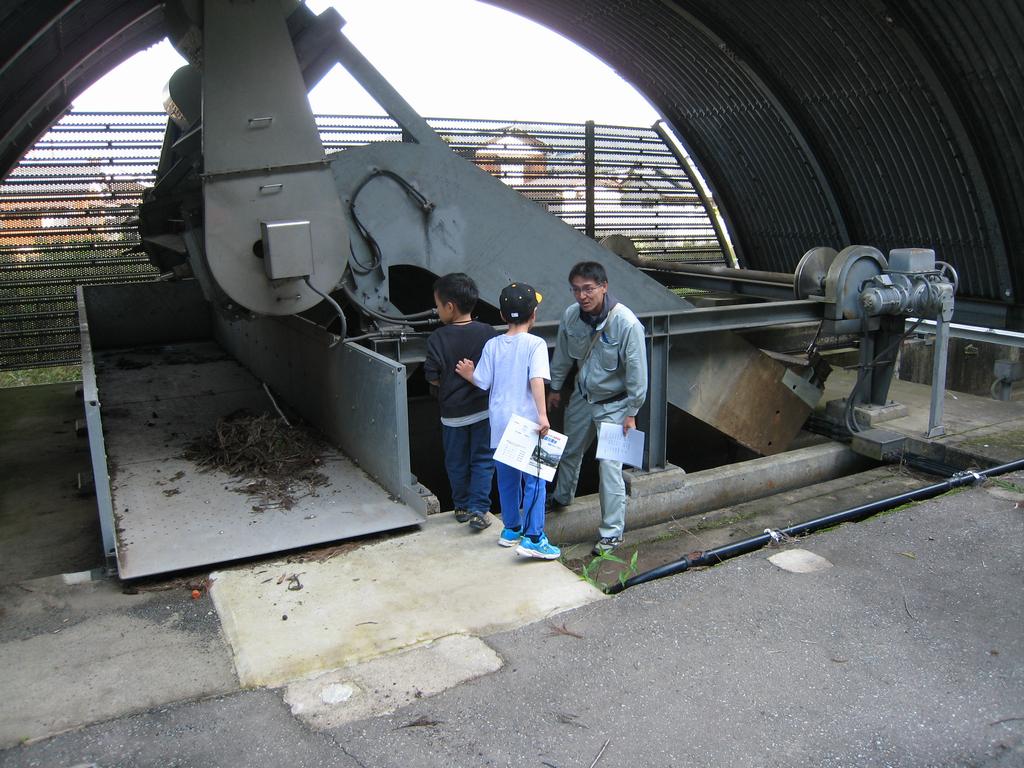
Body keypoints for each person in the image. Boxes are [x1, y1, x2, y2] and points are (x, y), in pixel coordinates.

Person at [546, 261, 648, 555]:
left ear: (604, 287)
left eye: (588, 289)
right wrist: (555, 387)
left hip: (615, 406)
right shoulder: (571, 316)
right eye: (576, 289)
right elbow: (563, 355)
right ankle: (562, 497)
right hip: (582, 397)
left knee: (610, 469)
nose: (582, 296)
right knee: (569, 450)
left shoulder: (626, 323)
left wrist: (632, 412)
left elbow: (637, 372)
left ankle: (612, 533)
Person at [455, 283, 560, 560]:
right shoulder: (535, 344)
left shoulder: (492, 344)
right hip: (528, 423)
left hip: (500, 423)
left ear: (502, 315)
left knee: (508, 479)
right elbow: (536, 379)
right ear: (534, 314)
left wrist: (468, 373)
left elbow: (482, 382)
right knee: (535, 481)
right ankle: (535, 538)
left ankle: (511, 530)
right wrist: (543, 415)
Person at [424, 273, 497, 531]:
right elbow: (493, 371)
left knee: (456, 461)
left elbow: (432, 377)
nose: (437, 310)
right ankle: (479, 508)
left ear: (450, 307)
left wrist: (447, 385)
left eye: (438, 304)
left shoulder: (437, 338)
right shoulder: (488, 332)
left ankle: (461, 506)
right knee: (483, 460)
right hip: (482, 412)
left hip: (452, 415)